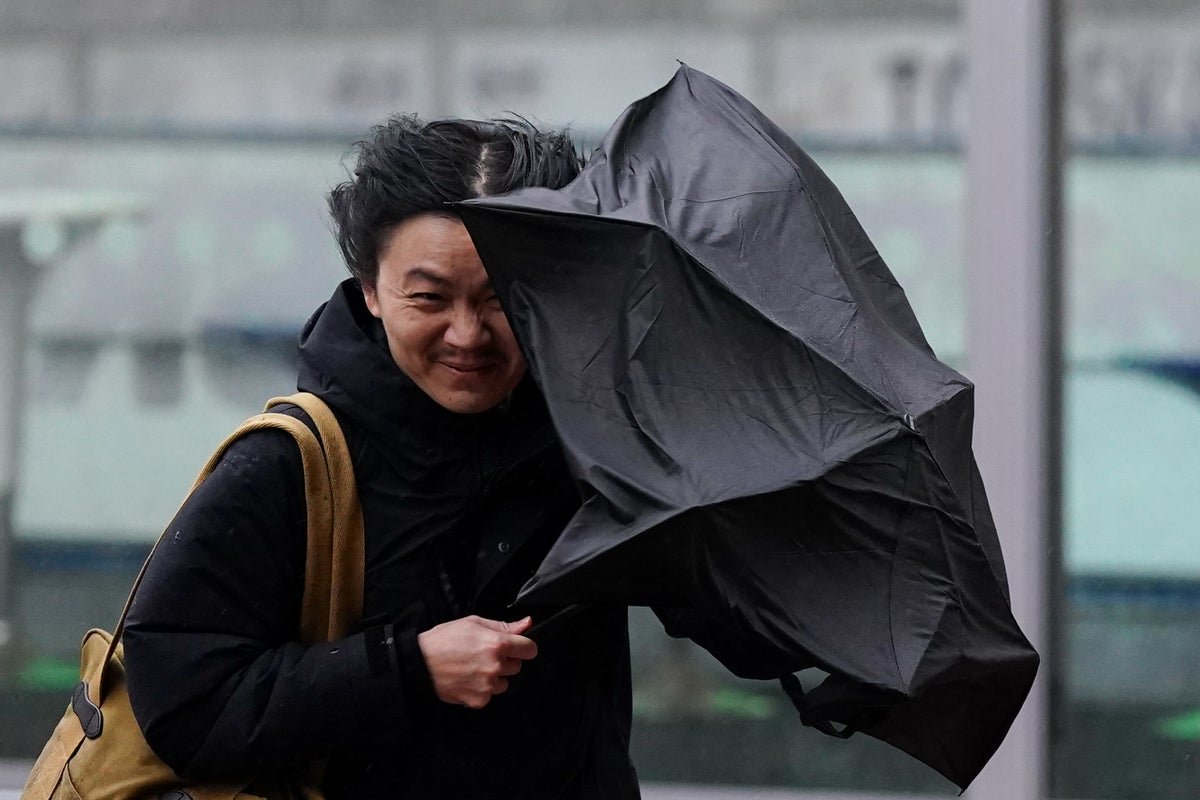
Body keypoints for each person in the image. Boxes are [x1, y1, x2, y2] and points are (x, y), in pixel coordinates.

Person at [123, 116, 641, 799]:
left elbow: (736, 627)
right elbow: (184, 702)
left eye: (503, 299)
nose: (467, 334)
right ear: (370, 288)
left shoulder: (604, 444)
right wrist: (408, 667)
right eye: (429, 298)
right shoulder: (292, 465)